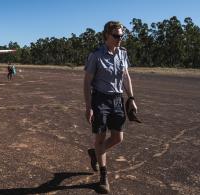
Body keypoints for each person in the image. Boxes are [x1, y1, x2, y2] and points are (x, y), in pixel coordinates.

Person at [83, 21, 138, 194]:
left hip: (117, 100)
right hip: (100, 100)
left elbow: (126, 76)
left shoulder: (123, 53)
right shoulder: (96, 55)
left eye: (121, 36)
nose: (119, 39)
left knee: (117, 138)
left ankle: (95, 153)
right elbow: (86, 82)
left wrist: (131, 98)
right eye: (116, 36)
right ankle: (103, 177)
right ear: (106, 35)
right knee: (100, 139)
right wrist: (88, 106)